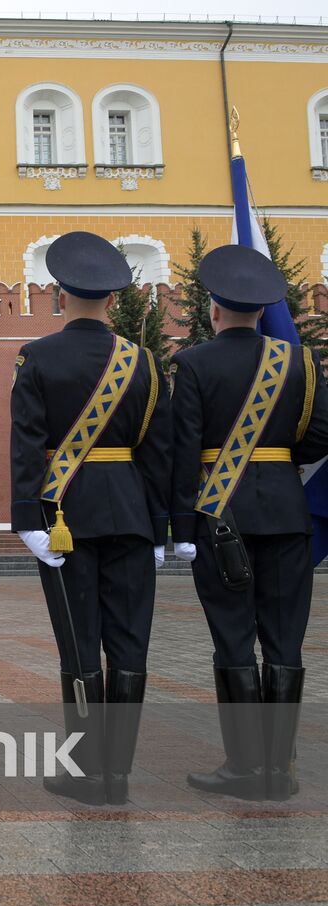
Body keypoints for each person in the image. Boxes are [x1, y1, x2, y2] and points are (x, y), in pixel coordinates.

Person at [9, 231, 172, 807]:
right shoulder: (143, 361)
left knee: (80, 645)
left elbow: (28, 443)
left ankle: (85, 771)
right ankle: (118, 773)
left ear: (60, 294)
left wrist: (28, 517)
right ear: (112, 300)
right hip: (130, 514)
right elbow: (159, 450)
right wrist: (160, 526)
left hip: (64, 518)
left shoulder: (37, 357)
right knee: (130, 646)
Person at [172, 245, 328, 801]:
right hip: (287, 514)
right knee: (285, 641)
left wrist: (181, 527)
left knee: (234, 639)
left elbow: (183, 446)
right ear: (263, 311)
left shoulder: (191, 364)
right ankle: (279, 771)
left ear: (214, 310)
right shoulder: (301, 362)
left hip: (221, 517)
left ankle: (244, 767)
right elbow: (320, 436)